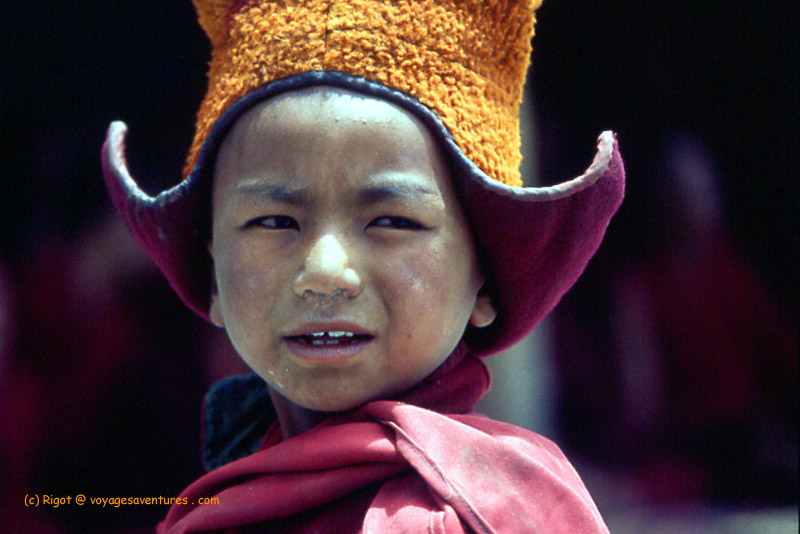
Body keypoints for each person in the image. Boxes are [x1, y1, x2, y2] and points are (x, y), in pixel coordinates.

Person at [102, 1, 625, 532]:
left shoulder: (469, 515)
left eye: (392, 221)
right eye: (275, 222)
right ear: (214, 275)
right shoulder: (223, 497)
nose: (325, 271)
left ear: (485, 276)